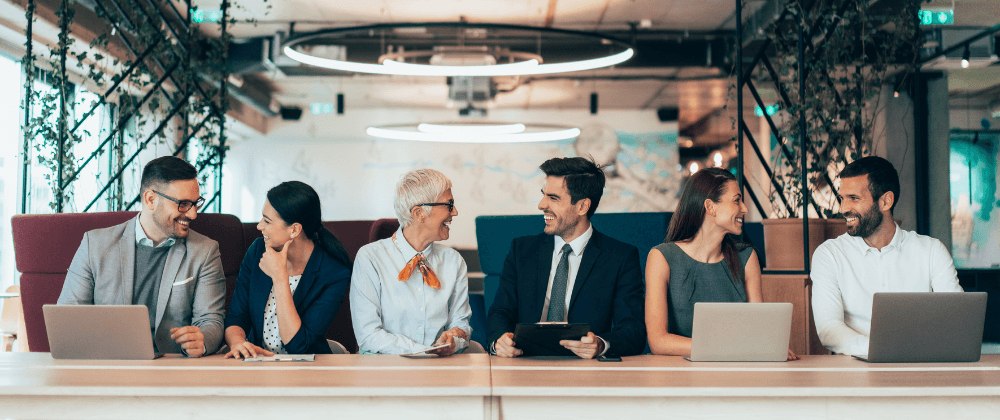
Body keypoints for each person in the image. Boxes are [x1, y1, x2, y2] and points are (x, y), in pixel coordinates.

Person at [58, 156, 224, 356]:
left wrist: (203, 340)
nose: (193, 214)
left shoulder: (205, 251)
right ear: (150, 199)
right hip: (108, 364)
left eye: (196, 203)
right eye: (183, 204)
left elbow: (211, 320)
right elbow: (68, 316)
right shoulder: (94, 245)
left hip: (172, 369)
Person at [487, 157, 646, 359]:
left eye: (553, 198)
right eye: (543, 195)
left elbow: (633, 330)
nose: (541, 205)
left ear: (582, 206)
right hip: (523, 363)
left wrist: (601, 345)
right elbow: (500, 312)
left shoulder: (620, 257)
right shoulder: (522, 250)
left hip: (586, 371)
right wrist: (499, 342)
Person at [811, 156, 962, 356]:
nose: (844, 208)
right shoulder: (829, 255)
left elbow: (957, 318)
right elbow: (828, 329)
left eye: (853, 198)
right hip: (855, 374)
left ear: (886, 201)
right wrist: (880, 350)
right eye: (842, 198)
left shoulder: (931, 251)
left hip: (922, 367)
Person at [644, 168, 797, 360]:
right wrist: (730, 348)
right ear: (710, 207)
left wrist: (771, 348)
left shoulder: (747, 257)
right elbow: (658, 341)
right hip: (679, 374)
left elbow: (759, 333)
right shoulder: (662, 257)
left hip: (736, 372)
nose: (745, 209)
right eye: (736, 200)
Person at [224, 181, 352, 358]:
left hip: (307, 369)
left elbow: (299, 346)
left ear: (294, 230)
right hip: (256, 362)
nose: (259, 226)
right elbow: (236, 316)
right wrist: (238, 343)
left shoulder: (334, 273)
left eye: (267, 221)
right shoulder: (257, 251)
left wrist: (279, 277)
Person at [351, 169, 472, 355]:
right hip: (383, 373)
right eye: (449, 204)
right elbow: (368, 335)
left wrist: (453, 339)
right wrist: (426, 351)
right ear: (419, 213)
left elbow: (461, 324)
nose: (454, 212)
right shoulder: (370, 258)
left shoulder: (454, 261)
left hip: (441, 371)